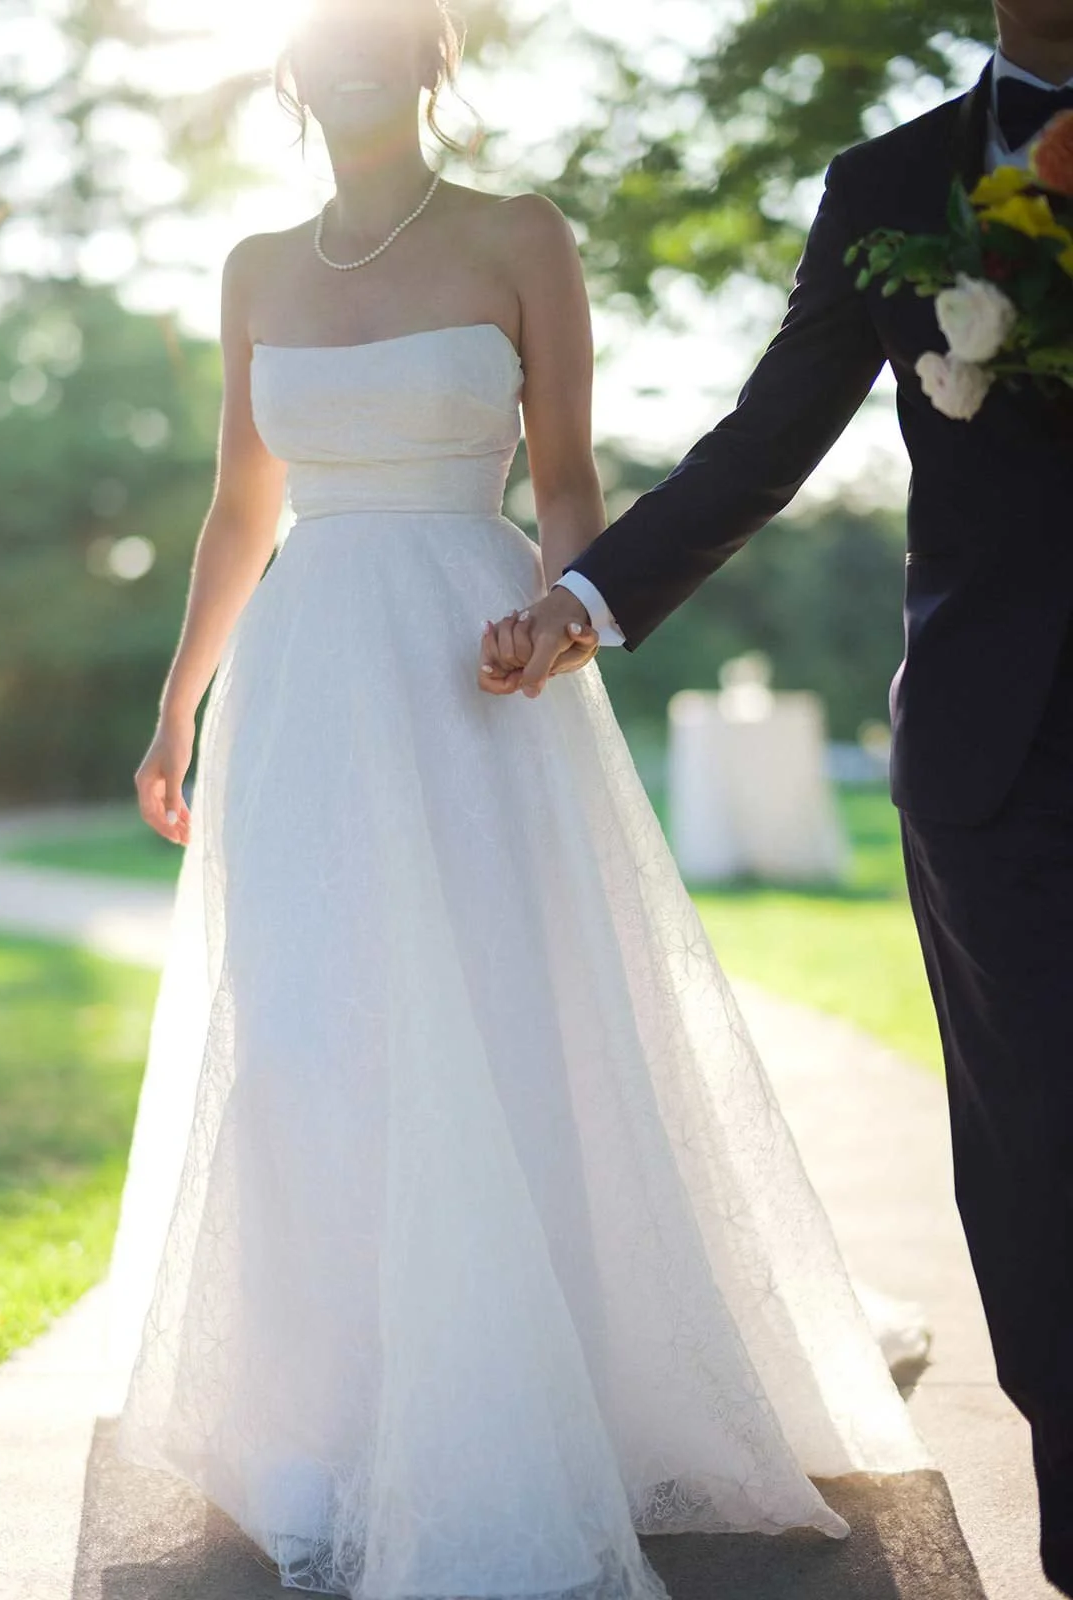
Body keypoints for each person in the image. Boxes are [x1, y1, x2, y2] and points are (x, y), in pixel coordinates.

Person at [106, 3, 930, 1598]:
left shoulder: (517, 235)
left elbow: (565, 472)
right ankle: (330, 1416)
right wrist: (177, 703)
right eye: (322, 46)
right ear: (287, 71)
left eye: (380, 43)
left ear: (432, 65)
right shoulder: (255, 266)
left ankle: (550, 1389)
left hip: (472, 657)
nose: (348, 68)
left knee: (507, 1005)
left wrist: (558, 603)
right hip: (303, 679)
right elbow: (235, 501)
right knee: (308, 1029)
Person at [480, 3, 1073, 1594]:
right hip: (996, 742)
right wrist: (587, 598)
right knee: (1037, 1138)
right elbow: (767, 439)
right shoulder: (891, 182)